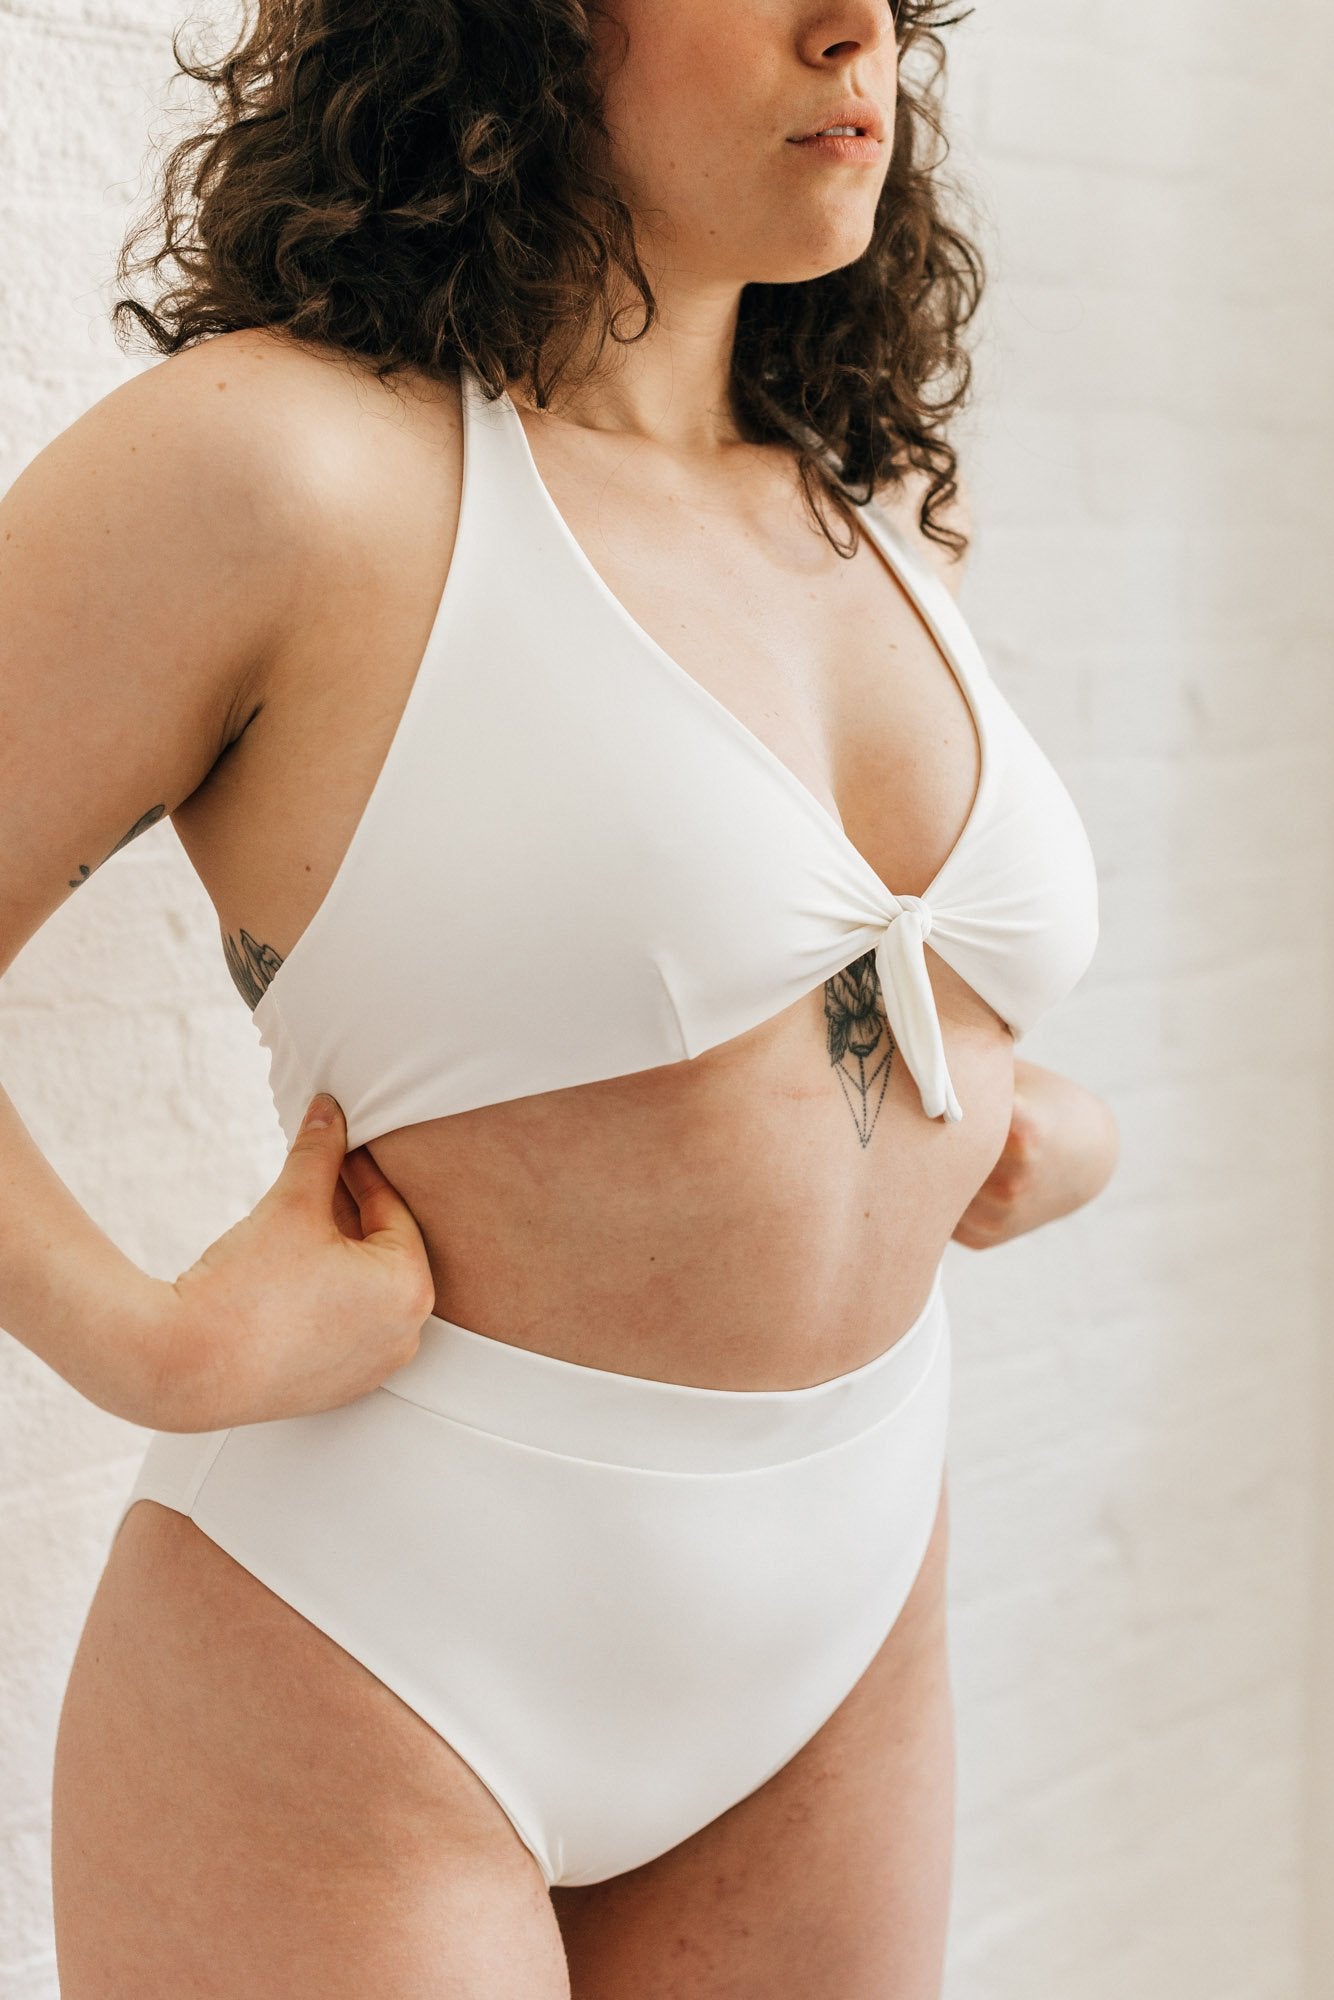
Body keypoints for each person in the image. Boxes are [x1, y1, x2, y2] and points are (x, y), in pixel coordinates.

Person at [0, 0, 1119, 1992]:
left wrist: (1033, 1115)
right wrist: (146, 1344)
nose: (853, 22)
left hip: (841, 1620)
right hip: (379, 1661)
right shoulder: (281, 463)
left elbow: (803, 1007)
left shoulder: (853, 507)